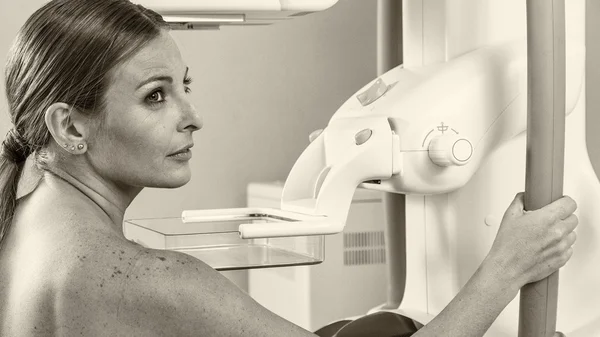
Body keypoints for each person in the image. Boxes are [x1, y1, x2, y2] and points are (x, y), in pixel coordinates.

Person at [0, 0, 578, 336]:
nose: (192, 117)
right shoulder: (156, 280)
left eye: (184, 86)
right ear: (70, 127)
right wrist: (507, 267)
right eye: (155, 96)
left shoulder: (22, 225)